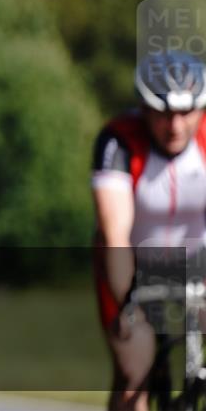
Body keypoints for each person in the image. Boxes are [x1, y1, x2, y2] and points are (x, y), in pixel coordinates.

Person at [91, 51, 206, 411]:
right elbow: (115, 234)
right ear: (143, 109)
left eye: (186, 113)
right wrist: (128, 303)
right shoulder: (119, 141)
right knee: (133, 369)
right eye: (162, 113)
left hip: (197, 258)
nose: (175, 127)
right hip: (131, 265)